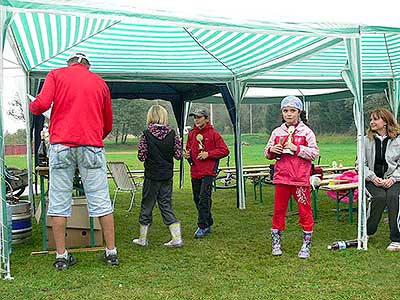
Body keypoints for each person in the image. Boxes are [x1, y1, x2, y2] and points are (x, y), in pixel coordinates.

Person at [29, 52, 119, 270]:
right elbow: (108, 122)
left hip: (61, 145)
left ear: (69, 63)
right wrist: (96, 137)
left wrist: (32, 107)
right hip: (92, 145)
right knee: (101, 200)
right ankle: (111, 253)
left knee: (59, 201)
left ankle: (61, 256)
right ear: (87, 66)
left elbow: (40, 105)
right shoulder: (100, 83)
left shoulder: (56, 75)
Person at [265, 96, 319, 259]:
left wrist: (296, 148)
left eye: (292, 111)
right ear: (282, 113)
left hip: (300, 179)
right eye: (285, 111)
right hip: (282, 178)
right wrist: (272, 150)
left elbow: (315, 154)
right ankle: (276, 242)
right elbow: (267, 153)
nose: (289, 114)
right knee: (278, 211)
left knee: (305, 211)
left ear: (299, 112)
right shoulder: (277, 132)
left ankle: (306, 244)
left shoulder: (306, 132)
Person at [133, 104, 184, 248]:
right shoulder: (173, 134)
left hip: (152, 176)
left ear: (150, 116)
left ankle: (143, 239)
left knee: (147, 205)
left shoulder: (145, 134)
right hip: (167, 176)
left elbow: (141, 157)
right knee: (166, 205)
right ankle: (177, 238)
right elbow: (179, 156)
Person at [183, 107, 229, 238]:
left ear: (206, 118)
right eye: (195, 117)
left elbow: (224, 150)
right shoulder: (192, 134)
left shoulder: (214, 134)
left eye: (199, 117)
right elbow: (189, 149)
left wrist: (208, 154)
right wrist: (187, 155)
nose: (196, 120)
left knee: (204, 198)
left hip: (208, 172)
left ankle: (202, 226)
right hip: (195, 171)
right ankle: (209, 221)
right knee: (197, 198)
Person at [363, 108, 400, 251]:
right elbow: (360, 164)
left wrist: (394, 178)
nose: (371, 122)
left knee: (393, 197)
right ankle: (367, 231)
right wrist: (372, 177)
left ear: (385, 121)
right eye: (371, 119)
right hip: (372, 179)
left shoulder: (398, 139)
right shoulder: (365, 140)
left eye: (375, 119)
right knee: (378, 198)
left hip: (394, 179)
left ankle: (396, 239)